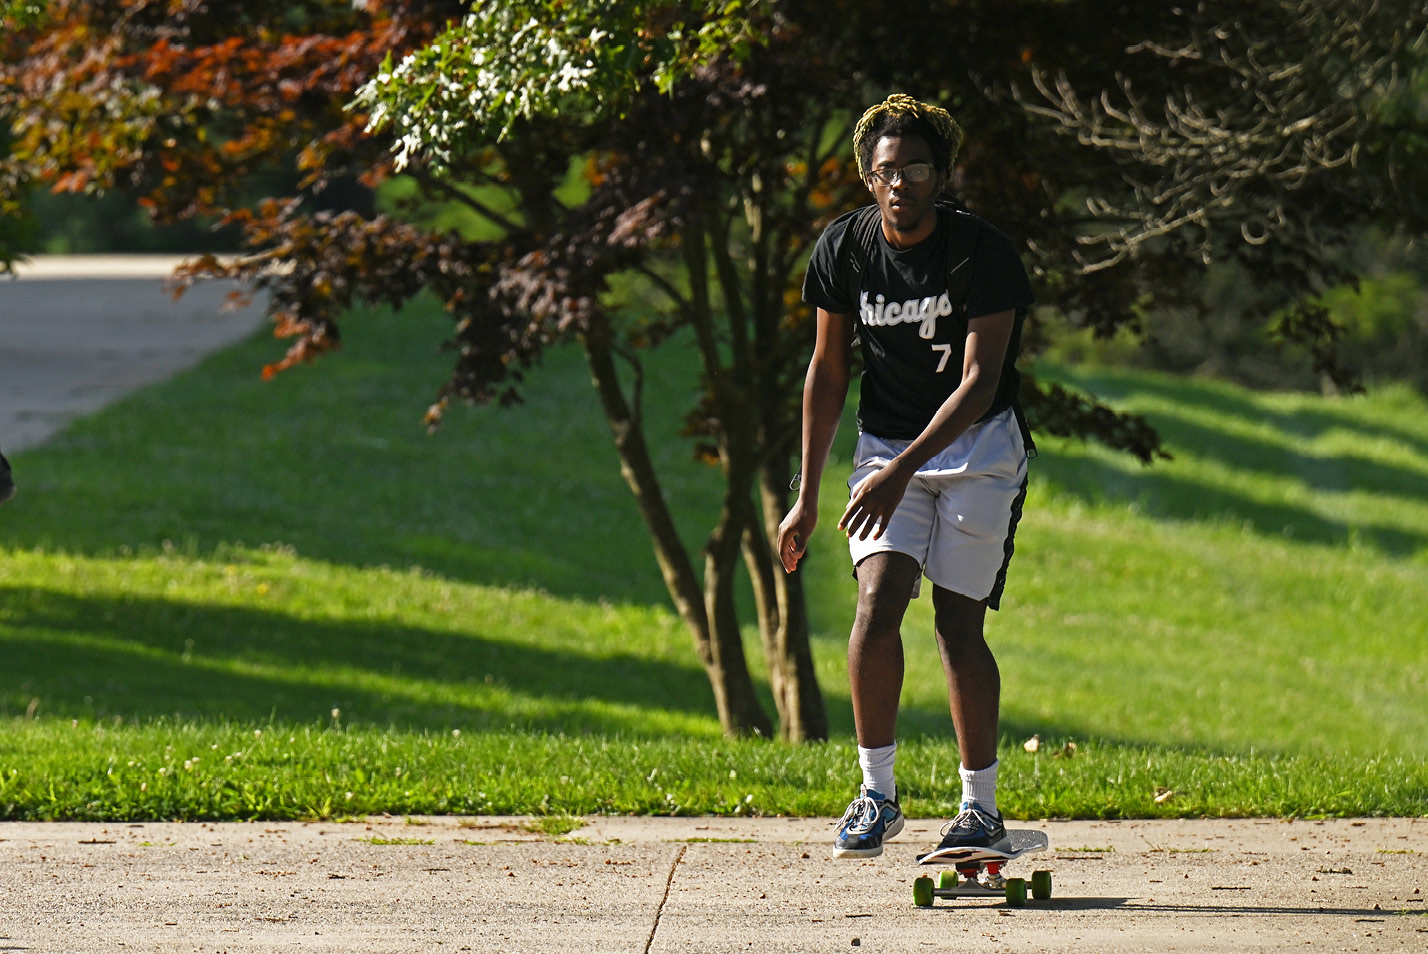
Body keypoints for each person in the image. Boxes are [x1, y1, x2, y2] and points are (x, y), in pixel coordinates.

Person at [776, 94, 1035, 860]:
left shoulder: (980, 254)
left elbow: (979, 382)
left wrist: (900, 471)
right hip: (885, 444)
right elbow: (826, 373)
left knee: (958, 625)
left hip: (978, 447)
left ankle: (979, 809)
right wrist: (805, 498)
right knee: (877, 598)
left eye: (917, 168)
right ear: (866, 177)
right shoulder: (845, 251)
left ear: (941, 174)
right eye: (887, 170)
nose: (902, 183)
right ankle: (877, 796)